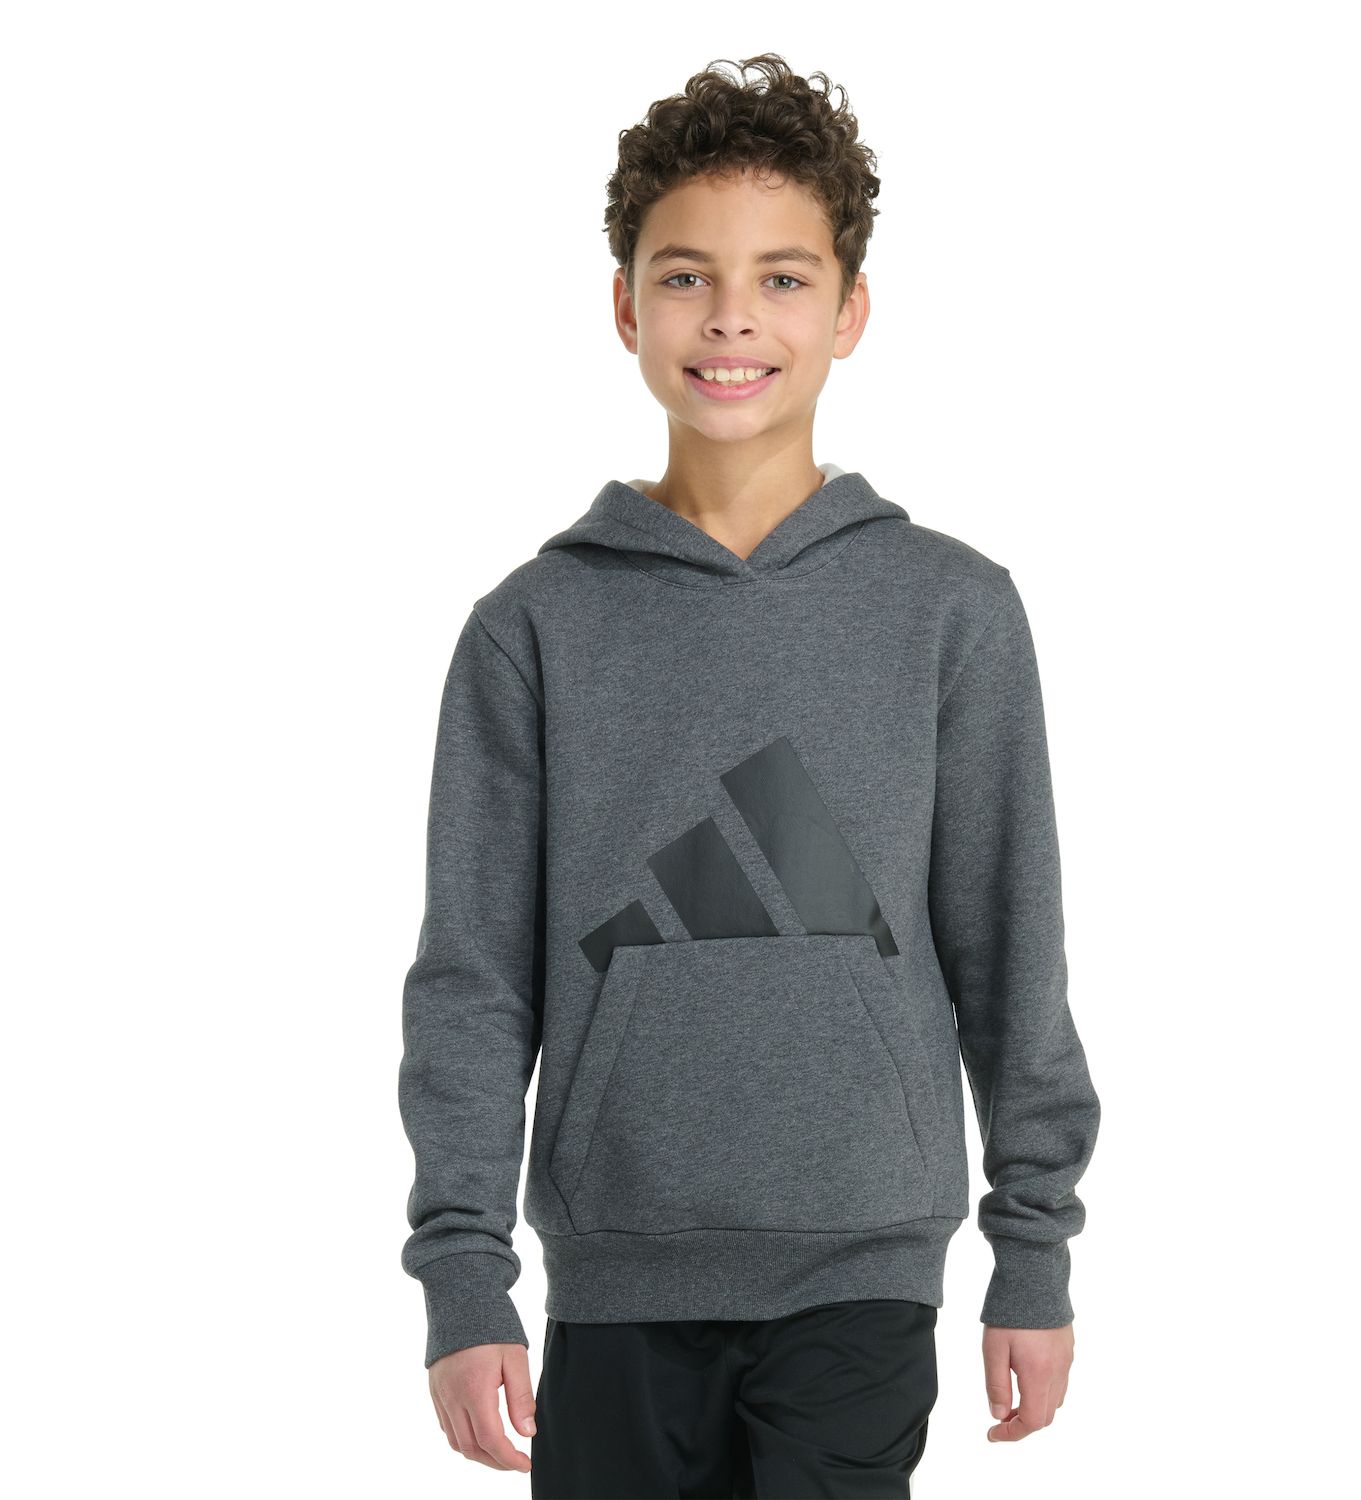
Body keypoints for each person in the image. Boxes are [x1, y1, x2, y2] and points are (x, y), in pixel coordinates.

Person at [398, 52, 1102, 1497]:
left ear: (850, 311)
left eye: (782, 278)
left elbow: (1011, 947)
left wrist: (1032, 1249)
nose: (731, 317)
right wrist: (465, 1277)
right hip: (615, 1277)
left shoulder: (950, 611)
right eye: (685, 277)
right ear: (624, 307)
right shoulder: (532, 628)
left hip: (863, 1269)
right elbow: (472, 981)